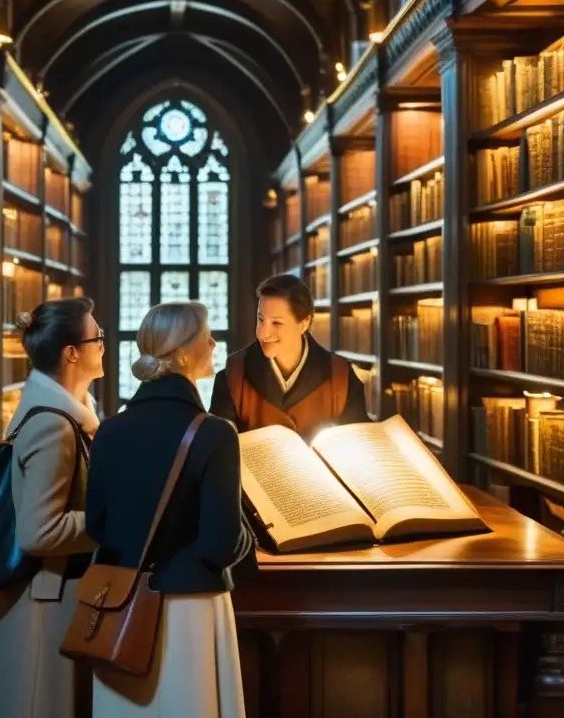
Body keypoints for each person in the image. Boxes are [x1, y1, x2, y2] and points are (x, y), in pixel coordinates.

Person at [86, 301, 253, 718]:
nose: (215, 342)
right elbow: (220, 544)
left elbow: (96, 524)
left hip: (121, 610)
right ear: (181, 353)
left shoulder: (109, 430)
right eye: (207, 334)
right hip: (191, 613)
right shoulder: (215, 433)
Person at [0, 297, 105, 718]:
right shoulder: (54, 424)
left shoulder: (65, 412)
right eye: (97, 337)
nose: (103, 344)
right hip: (44, 600)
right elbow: (38, 531)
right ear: (72, 353)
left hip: (49, 593)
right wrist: (110, 520)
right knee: (41, 701)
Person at [209, 273, 370, 443]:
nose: (263, 333)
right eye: (260, 319)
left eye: (277, 323)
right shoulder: (234, 374)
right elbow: (219, 452)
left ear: (304, 323)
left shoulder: (341, 376)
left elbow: (356, 446)